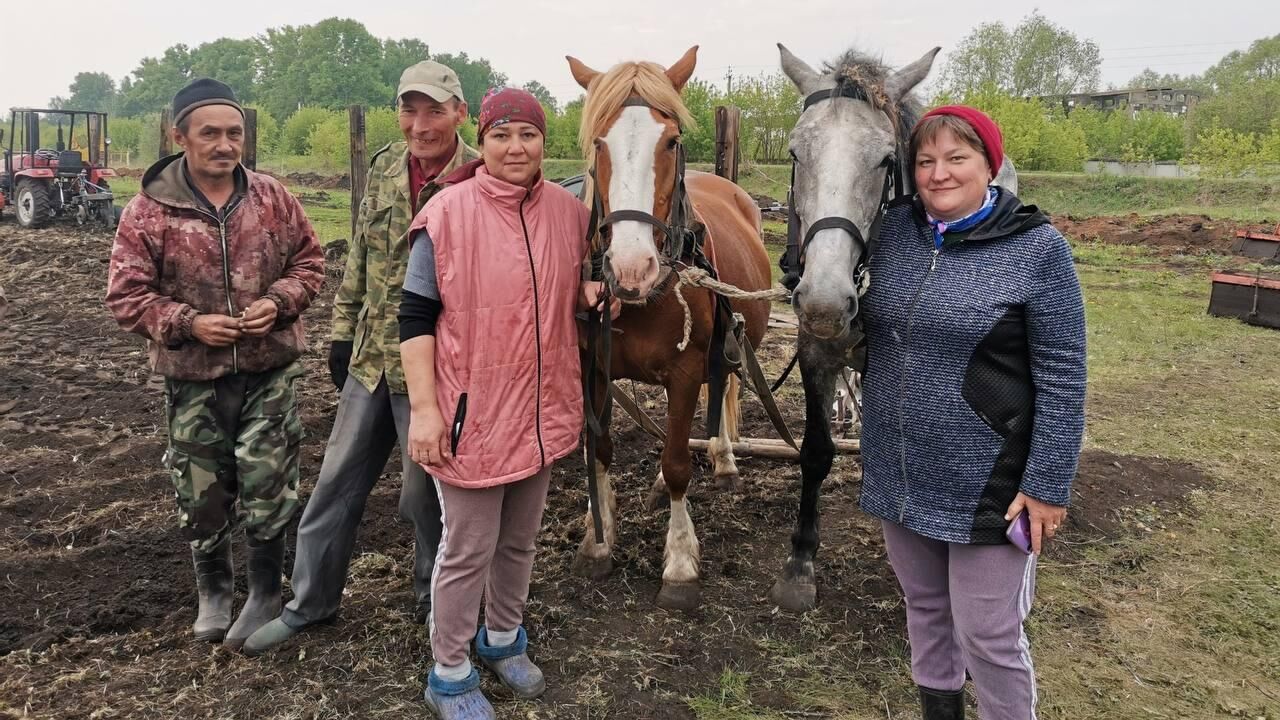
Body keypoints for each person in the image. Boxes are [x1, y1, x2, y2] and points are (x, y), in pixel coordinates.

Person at [244, 61, 480, 656]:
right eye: (409, 110)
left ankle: (436, 604)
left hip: (435, 368)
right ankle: (311, 603)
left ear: (459, 111)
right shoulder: (382, 168)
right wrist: (341, 333)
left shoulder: (479, 177)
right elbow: (362, 259)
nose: (420, 125)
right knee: (333, 486)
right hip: (372, 358)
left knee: (425, 498)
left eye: (434, 110)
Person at [859, 105, 1086, 720]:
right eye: (925, 161)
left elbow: (1064, 379)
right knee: (926, 610)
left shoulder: (1037, 250)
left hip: (993, 481)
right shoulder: (892, 235)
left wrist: (1046, 486)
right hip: (899, 469)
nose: (938, 174)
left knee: (988, 635)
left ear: (990, 164)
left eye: (957, 158)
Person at [398, 87, 613, 720]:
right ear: (482, 141)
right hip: (471, 414)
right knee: (467, 548)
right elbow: (415, 316)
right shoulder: (446, 214)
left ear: (545, 142)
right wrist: (427, 411)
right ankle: (450, 669)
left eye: (528, 135)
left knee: (520, 541)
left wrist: (591, 295)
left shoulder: (571, 215)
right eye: (501, 135)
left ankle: (500, 639)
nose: (515, 147)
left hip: (542, 410)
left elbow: (560, 296)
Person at [104, 77, 325, 649]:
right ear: (179, 136)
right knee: (201, 487)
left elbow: (310, 264)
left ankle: (265, 591)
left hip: (268, 367)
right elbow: (127, 295)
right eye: (210, 133)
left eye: (235, 133)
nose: (225, 144)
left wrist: (278, 304)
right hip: (193, 379)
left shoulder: (273, 198)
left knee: (267, 477)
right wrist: (187, 323)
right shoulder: (148, 211)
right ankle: (214, 589)